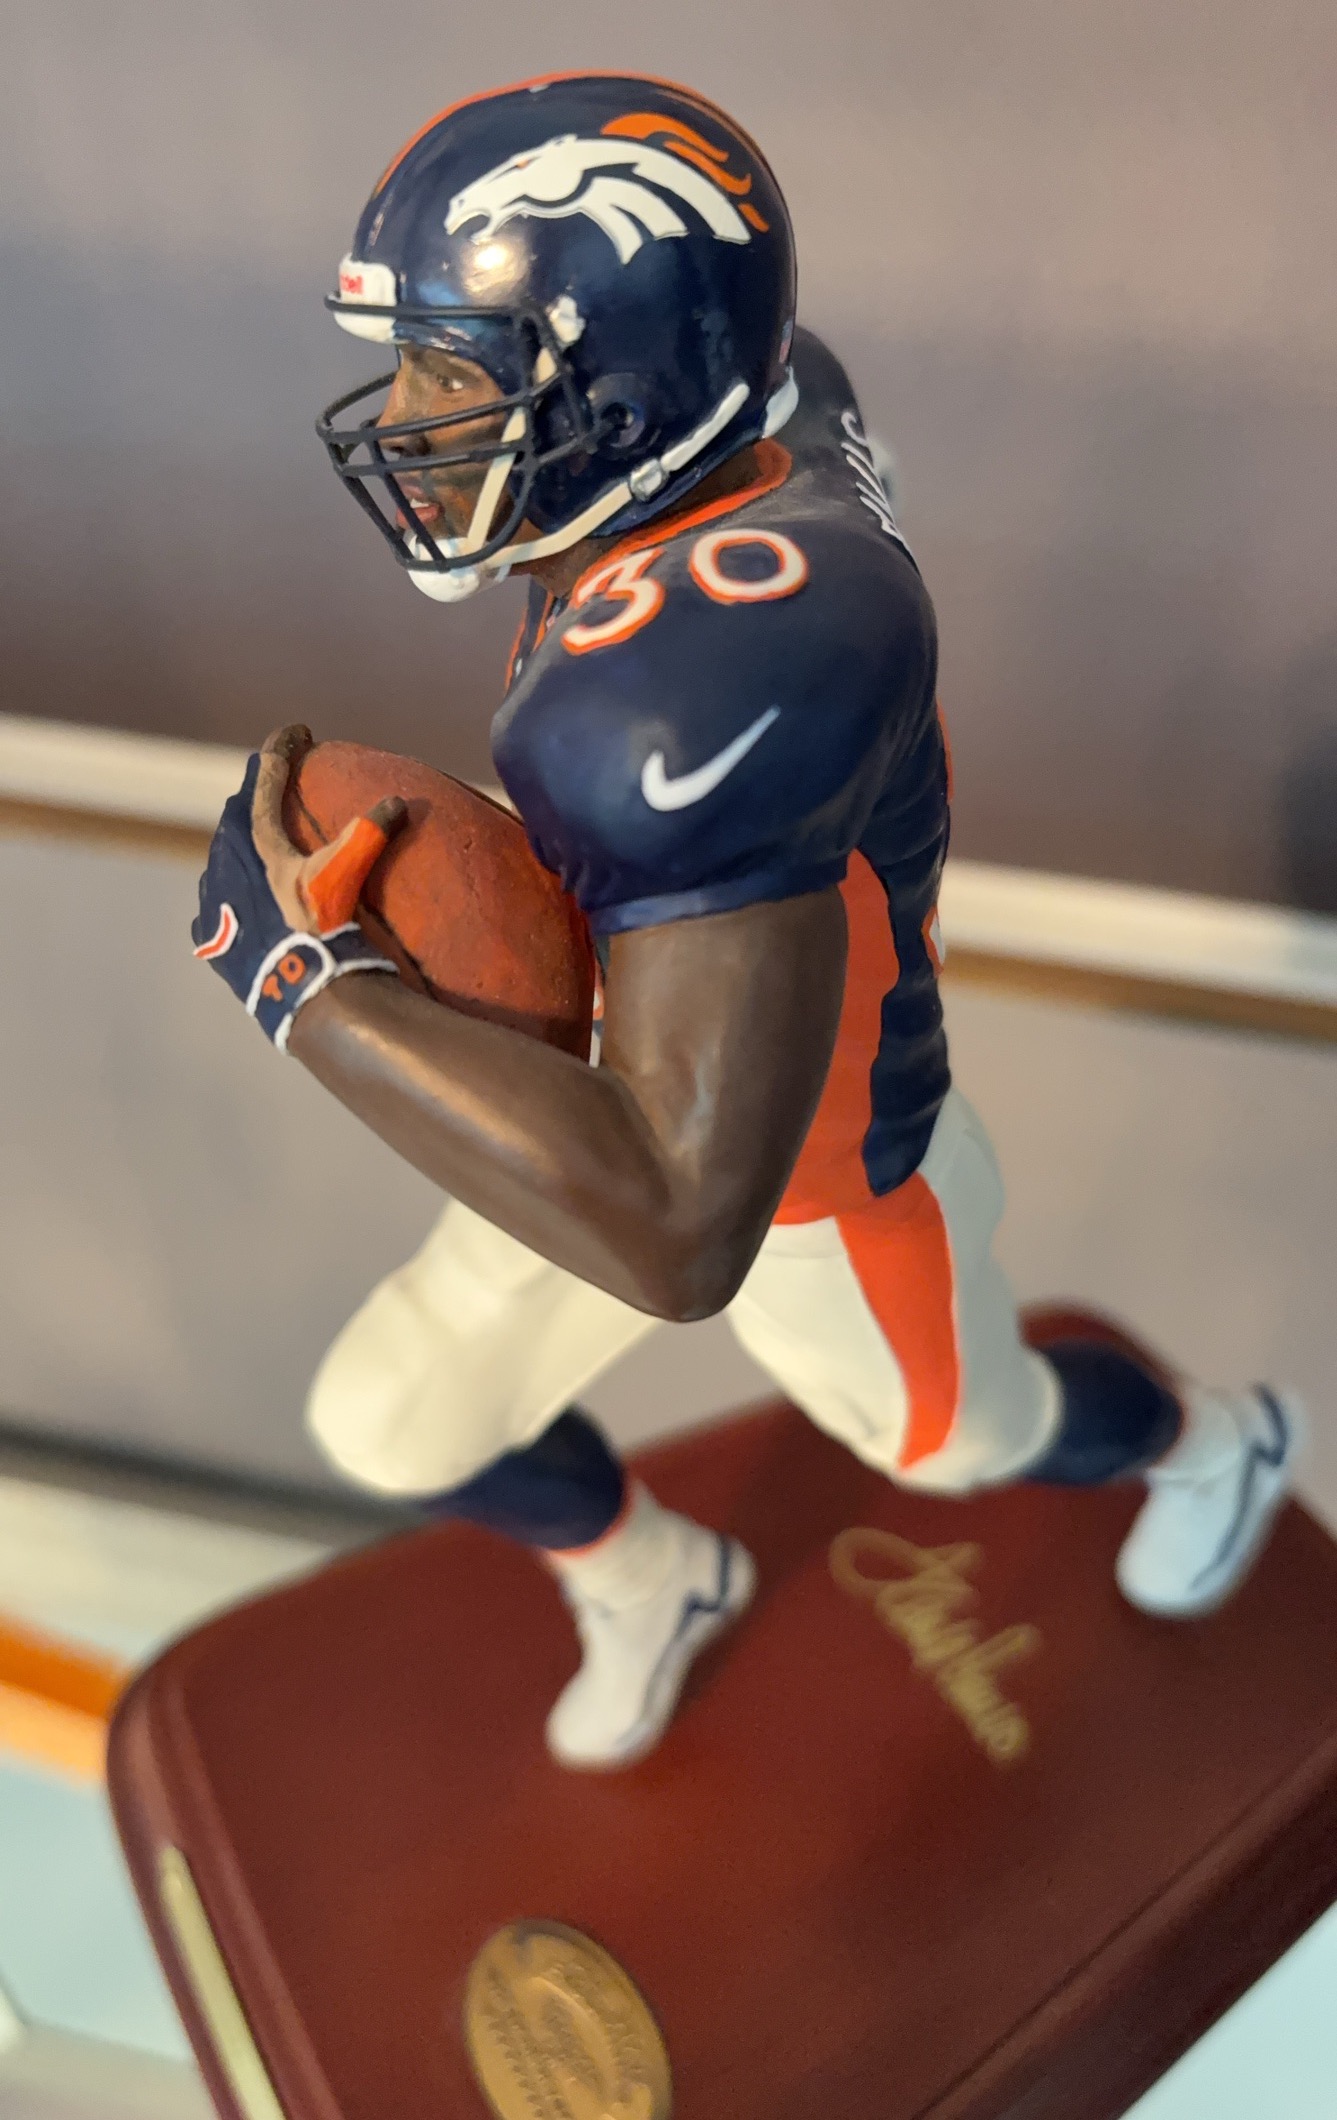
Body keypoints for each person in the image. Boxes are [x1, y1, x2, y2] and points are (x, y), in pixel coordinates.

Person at [192, 72, 1301, 1771]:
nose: (407, 417)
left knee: (960, 1439)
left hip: (811, 1181)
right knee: (396, 1419)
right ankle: (652, 1579)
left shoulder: (689, 685)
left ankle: (1208, 1440)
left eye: (454, 374)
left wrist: (314, 986)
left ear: (623, 399)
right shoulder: (758, 405)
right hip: (607, 1064)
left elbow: (678, 1236)